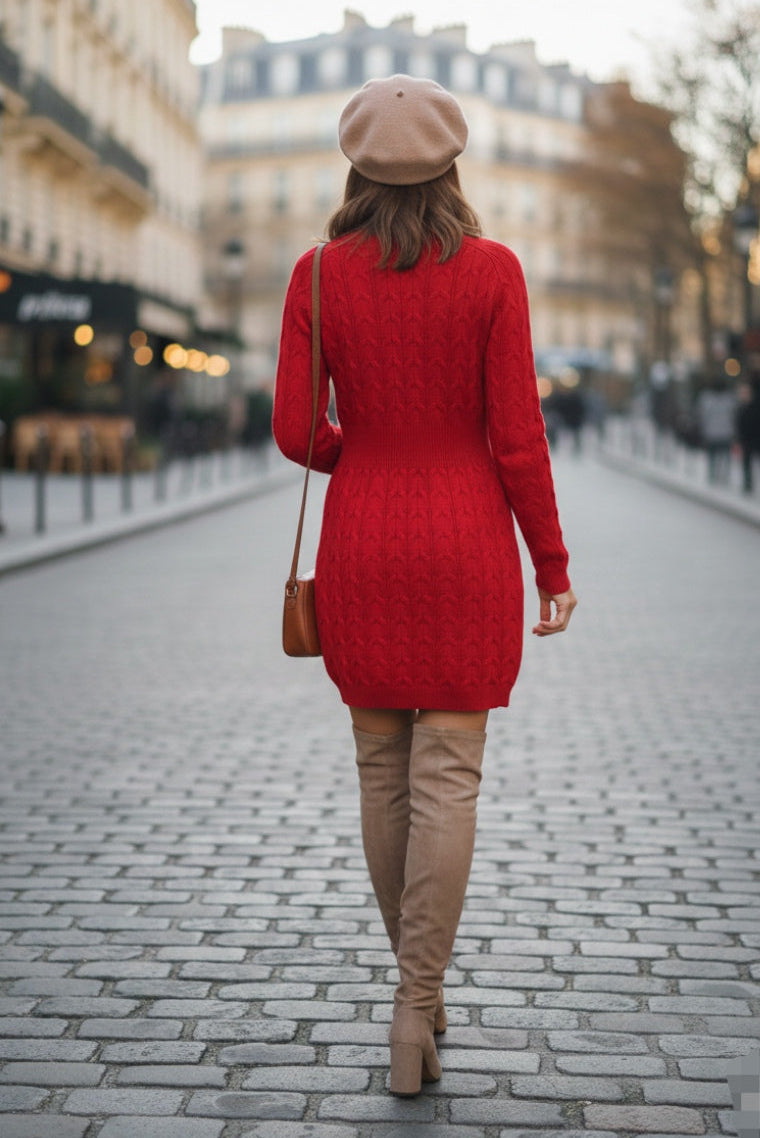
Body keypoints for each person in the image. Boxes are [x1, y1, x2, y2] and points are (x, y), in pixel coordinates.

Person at [272, 74, 576, 1097]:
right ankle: (417, 1002)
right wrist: (552, 563)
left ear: (353, 166)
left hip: (362, 540)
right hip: (465, 548)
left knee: (381, 772)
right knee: (449, 773)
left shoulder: (316, 276)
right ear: (452, 164)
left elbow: (291, 431)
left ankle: (414, 997)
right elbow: (516, 436)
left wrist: (360, 453)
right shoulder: (494, 271)